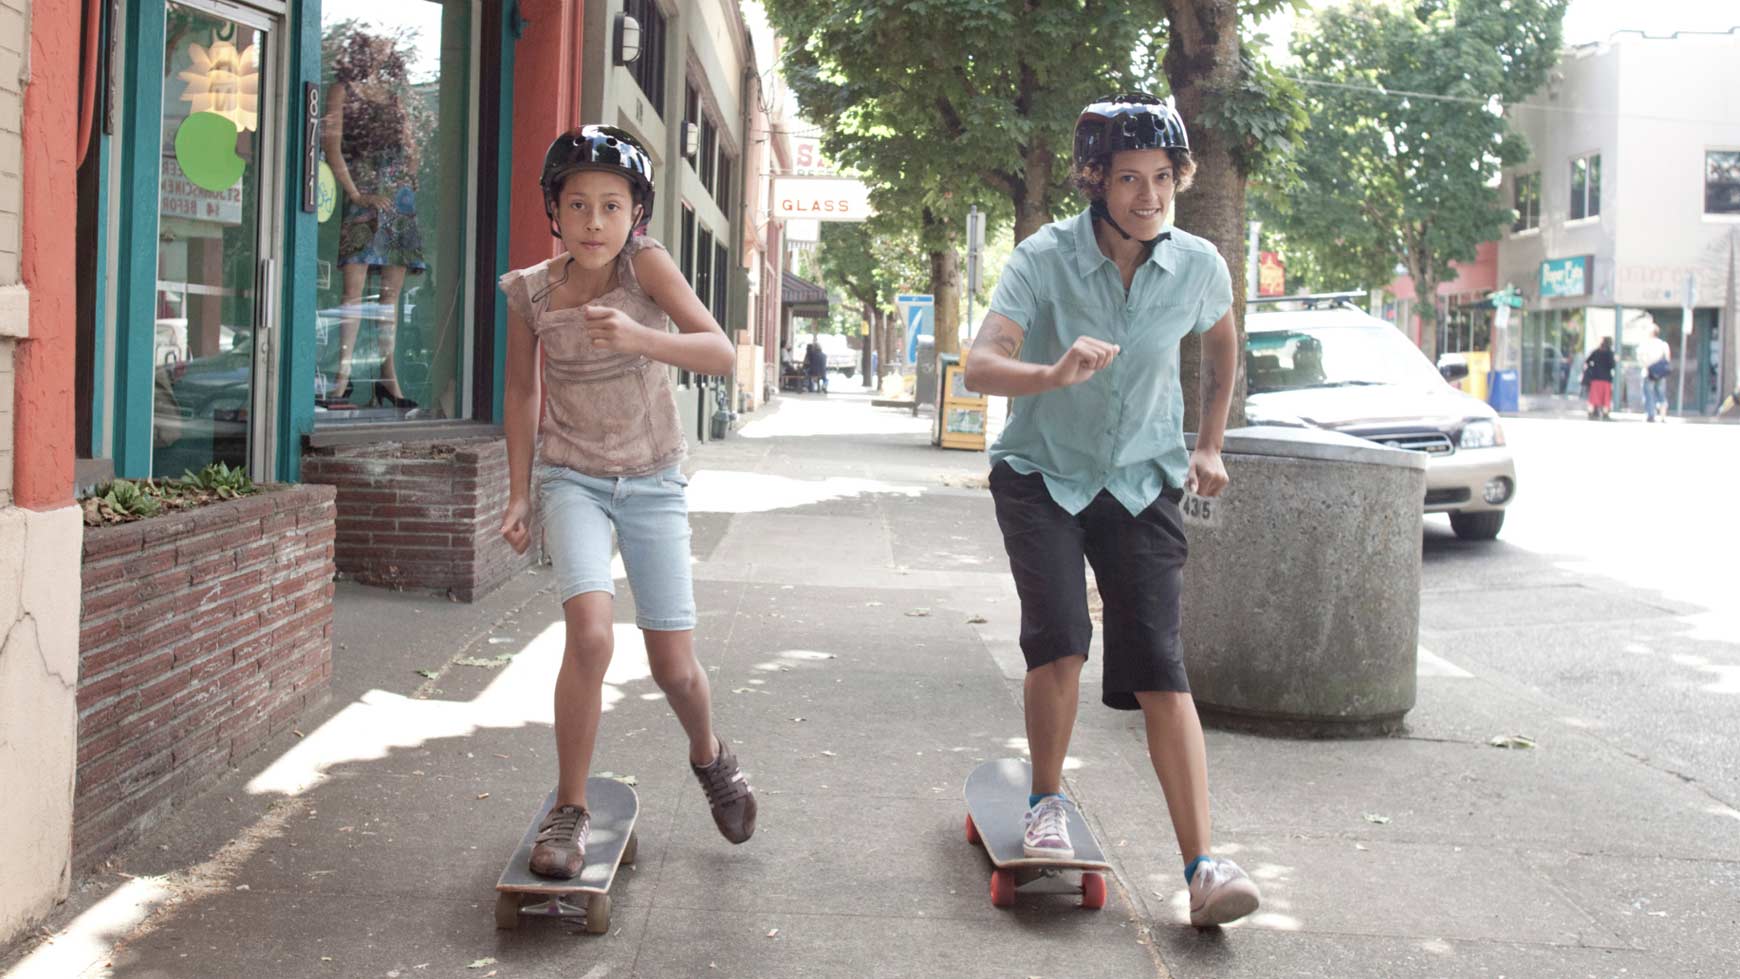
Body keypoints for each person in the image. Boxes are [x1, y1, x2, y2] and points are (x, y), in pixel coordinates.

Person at [962, 92, 1260, 928]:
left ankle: (1203, 866)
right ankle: (1046, 804)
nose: (1149, 197)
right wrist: (1051, 375)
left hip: (1141, 481)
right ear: (1098, 181)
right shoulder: (1042, 258)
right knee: (1060, 640)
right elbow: (979, 366)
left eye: (1164, 178)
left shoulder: (1199, 263)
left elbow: (1221, 339)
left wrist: (1210, 442)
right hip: (1043, 475)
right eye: (1130, 178)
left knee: (1161, 663)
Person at [497, 126, 755, 878]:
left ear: (634, 212)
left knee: (673, 665)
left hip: (651, 480)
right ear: (555, 210)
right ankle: (567, 811)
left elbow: (718, 350)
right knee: (591, 635)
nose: (593, 222)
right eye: (577, 205)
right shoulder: (532, 293)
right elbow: (521, 391)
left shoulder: (647, 267)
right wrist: (518, 490)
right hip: (571, 477)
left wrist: (643, 339)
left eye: (611, 206)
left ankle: (709, 755)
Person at [322, 31, 425, 411]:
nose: (387, 49)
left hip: (397, 201)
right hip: (365, 198)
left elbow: (412, 149)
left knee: (391, 298)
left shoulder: (395, 96)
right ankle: (342, 378)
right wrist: (355, 194)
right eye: (381, 44)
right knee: (352, 291)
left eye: (390, 47)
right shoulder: (343, 91)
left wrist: (406, 184)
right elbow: (332, 147)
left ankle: (388, 378)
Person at [1634, 320, 1672, 422]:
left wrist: (1647, 365)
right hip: (1661, 373)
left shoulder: (1645, 344)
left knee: (1648, 393)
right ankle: (1663, 414)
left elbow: (1640, 358)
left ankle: (1650, 414)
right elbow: (1667, 358)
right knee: (1661, 392)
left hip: (1648, 372)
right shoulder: (1663, 344)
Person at [1583, 337, 1616, 420]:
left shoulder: (1596, 351)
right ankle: (1605, 415)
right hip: (1606, 379)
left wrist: (1592, 367)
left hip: (1595, 378)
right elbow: (1612, 366)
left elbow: (1587, 361)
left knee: (1593, 397)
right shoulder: (1610, 353)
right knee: (1606, 397)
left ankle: (1590, 413)